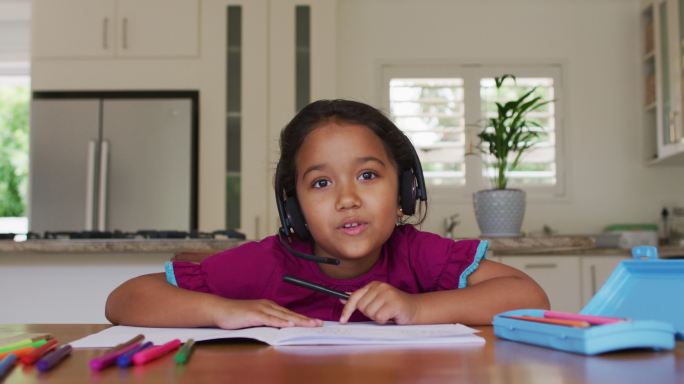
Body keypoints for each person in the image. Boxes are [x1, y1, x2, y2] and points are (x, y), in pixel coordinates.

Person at [106, 99, 549, 329]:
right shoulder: (269, 263)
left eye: (369, 176)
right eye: (321, 183)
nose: (347, 199)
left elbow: (529, 297)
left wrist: (416, 309)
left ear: (405, 190)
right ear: (293, 205)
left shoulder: (419, 255)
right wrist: (221, 310)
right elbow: (124, 299)